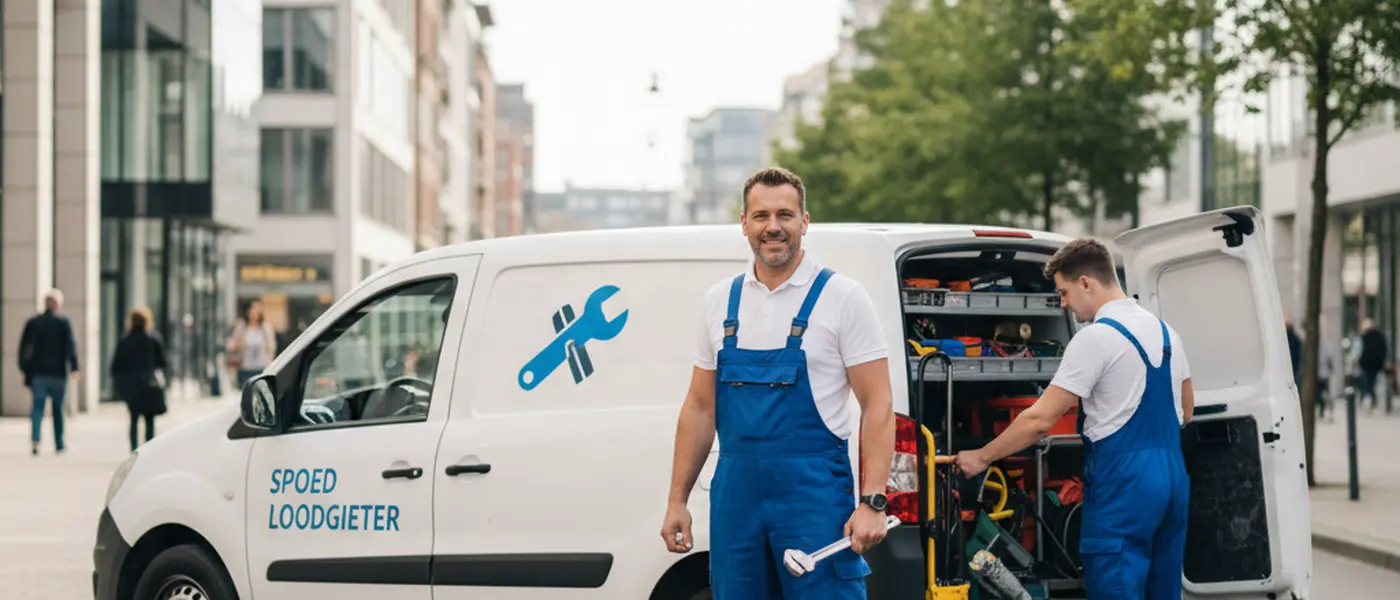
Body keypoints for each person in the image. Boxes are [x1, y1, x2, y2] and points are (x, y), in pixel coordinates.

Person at [661, 167, 896, 599]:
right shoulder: (718, 302)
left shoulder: (843, 298)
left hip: (815, 497)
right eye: (761, 215)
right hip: (735, 500)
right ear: (744, 223)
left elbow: (878, 403)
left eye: (785, 215)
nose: (773, 227)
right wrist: (678, 499)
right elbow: (699, 407)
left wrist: (873, 501)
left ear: (805, 221)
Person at [953, 238, 1194, 600]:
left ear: (1086, 283)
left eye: (1064, 292)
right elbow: (1186, 410)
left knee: (1117, 587)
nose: (1063, 303)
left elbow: (1039, 420)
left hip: (1124, 484)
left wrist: (981, 456)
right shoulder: (1167, 333)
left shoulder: (1096, 338)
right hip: (1173, 478)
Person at [18, 288, 80, 456]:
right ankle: (59, 443)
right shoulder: (63, 322)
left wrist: (24, 367)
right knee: (58, 409)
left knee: (37, 407)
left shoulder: (34, 322)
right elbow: (70, 346)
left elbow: (24, 347)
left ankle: (36, 440)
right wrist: (75, 367)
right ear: (58, 304)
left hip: (38, 373)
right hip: (58, 373)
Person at [109, 306, 169, 451]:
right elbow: (162, 362)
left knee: (134, 418)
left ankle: (134, 448)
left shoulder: (125, 340)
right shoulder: (153, 339)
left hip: (131, 385)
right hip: (149, 384)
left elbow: (116, 365)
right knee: (149, 419)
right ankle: (149, 448)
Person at [226, 300, 278, 389]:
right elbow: (231, 345)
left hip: (261, 368)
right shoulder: (242, 327)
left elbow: (272, 347)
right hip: (245, 367)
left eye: (257, 312)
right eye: (253, 311)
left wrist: (270, 364)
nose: (254, 315)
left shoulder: (266, 327)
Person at [1357, 319, 1387, 412]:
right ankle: (1374, 400)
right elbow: (1384, 350)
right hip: (1377, 364)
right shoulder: (1380, 337)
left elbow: (1360, 350)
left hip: (1367, 364)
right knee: (1375, 382)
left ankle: (1369, 400)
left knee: (1368, 383)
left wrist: (1359, 360)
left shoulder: (1364, 337)